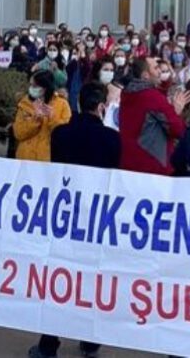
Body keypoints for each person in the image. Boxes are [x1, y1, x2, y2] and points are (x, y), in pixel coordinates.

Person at [28, 82, 120, 358]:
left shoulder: (61, 134)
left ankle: (48, 344)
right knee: (91, 279)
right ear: (102, 106)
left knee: (59, 277)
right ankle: (89, 340)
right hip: (95, 217)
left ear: (79, 104)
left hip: (64, 214)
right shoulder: (112, 139)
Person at [119, 57, 189, 176]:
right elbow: (178, 129)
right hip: (152, 165)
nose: (160, 72)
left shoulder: (128, 93)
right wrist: (176, 111)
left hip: (129, 163)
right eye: (156, 68)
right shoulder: (152, 96)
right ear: (145, 75)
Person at [13, 70, 72, 162]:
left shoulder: (62, 104)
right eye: (31, 85)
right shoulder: (25, 103)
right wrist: (34, 120)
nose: (31, 88)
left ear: (45, 87)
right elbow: (18, 133)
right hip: (25, 159)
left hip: (48, 160)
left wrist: (52, 118)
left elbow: (65, 134)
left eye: (35, 86)